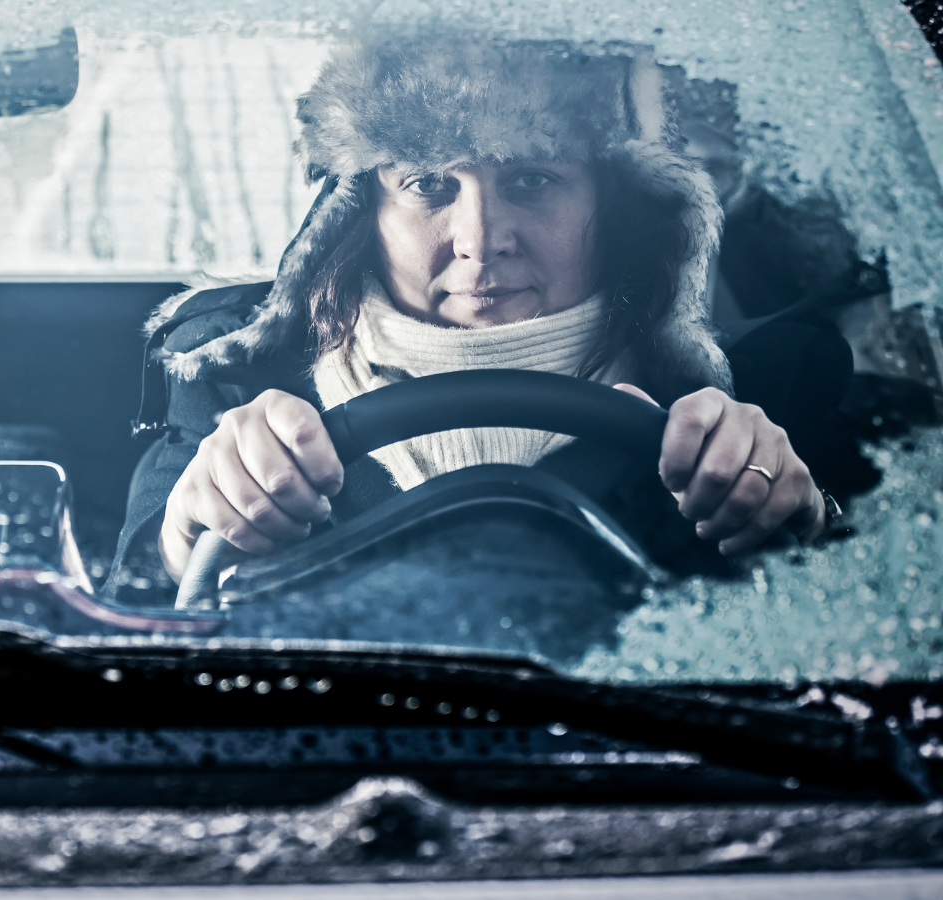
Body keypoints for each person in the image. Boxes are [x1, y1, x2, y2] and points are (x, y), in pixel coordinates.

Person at [108, 33, 845, 597]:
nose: (481, 239)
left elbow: (892, 626)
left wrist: (805, 516)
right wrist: (192, 527)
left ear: (610, 201)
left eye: (533, 179)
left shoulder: (760, 391)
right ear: (362, 205)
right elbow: (125, 620)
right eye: (429, 184)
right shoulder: (232, 374)